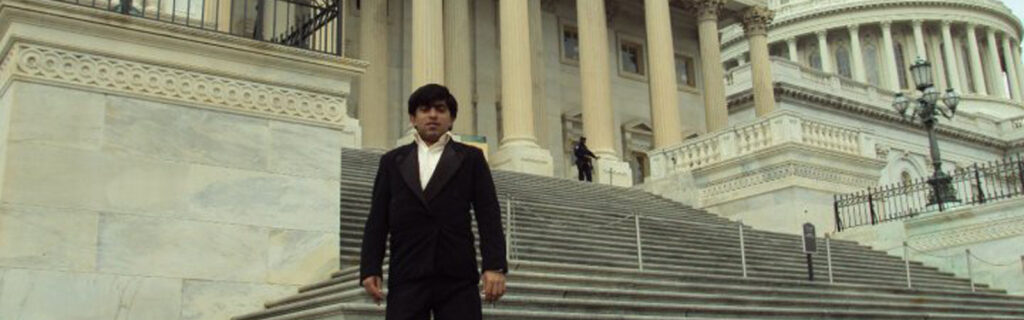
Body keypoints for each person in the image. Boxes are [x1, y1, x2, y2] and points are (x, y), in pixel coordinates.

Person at [359, 83, 507, 320]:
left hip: (456, 274)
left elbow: (488, 213)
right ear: (412, 118)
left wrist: (494, 266)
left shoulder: (471, 158)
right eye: (424, 109)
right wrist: (370, 267)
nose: (432, 115)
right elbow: (377, 218)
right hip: (407, 271)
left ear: (451, 119)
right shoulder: (392, 161)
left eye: (440, 109)